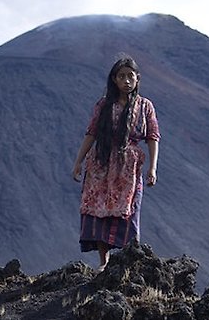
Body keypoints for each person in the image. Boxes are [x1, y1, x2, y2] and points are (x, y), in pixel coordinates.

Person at [72, 55, 160, 271]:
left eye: (131, 76)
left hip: (129, 167)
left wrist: (152, 168)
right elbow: (91, 133)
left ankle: (133, 262)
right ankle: (104, 262)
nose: (127, 81)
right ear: (114, 80)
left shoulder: (145, 106)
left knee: (131, 208)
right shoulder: (104, 105)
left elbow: (153, 137)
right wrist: (78, 162)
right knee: (99, 209)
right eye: (122, 76)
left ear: (138, 79)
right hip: (101, 163)